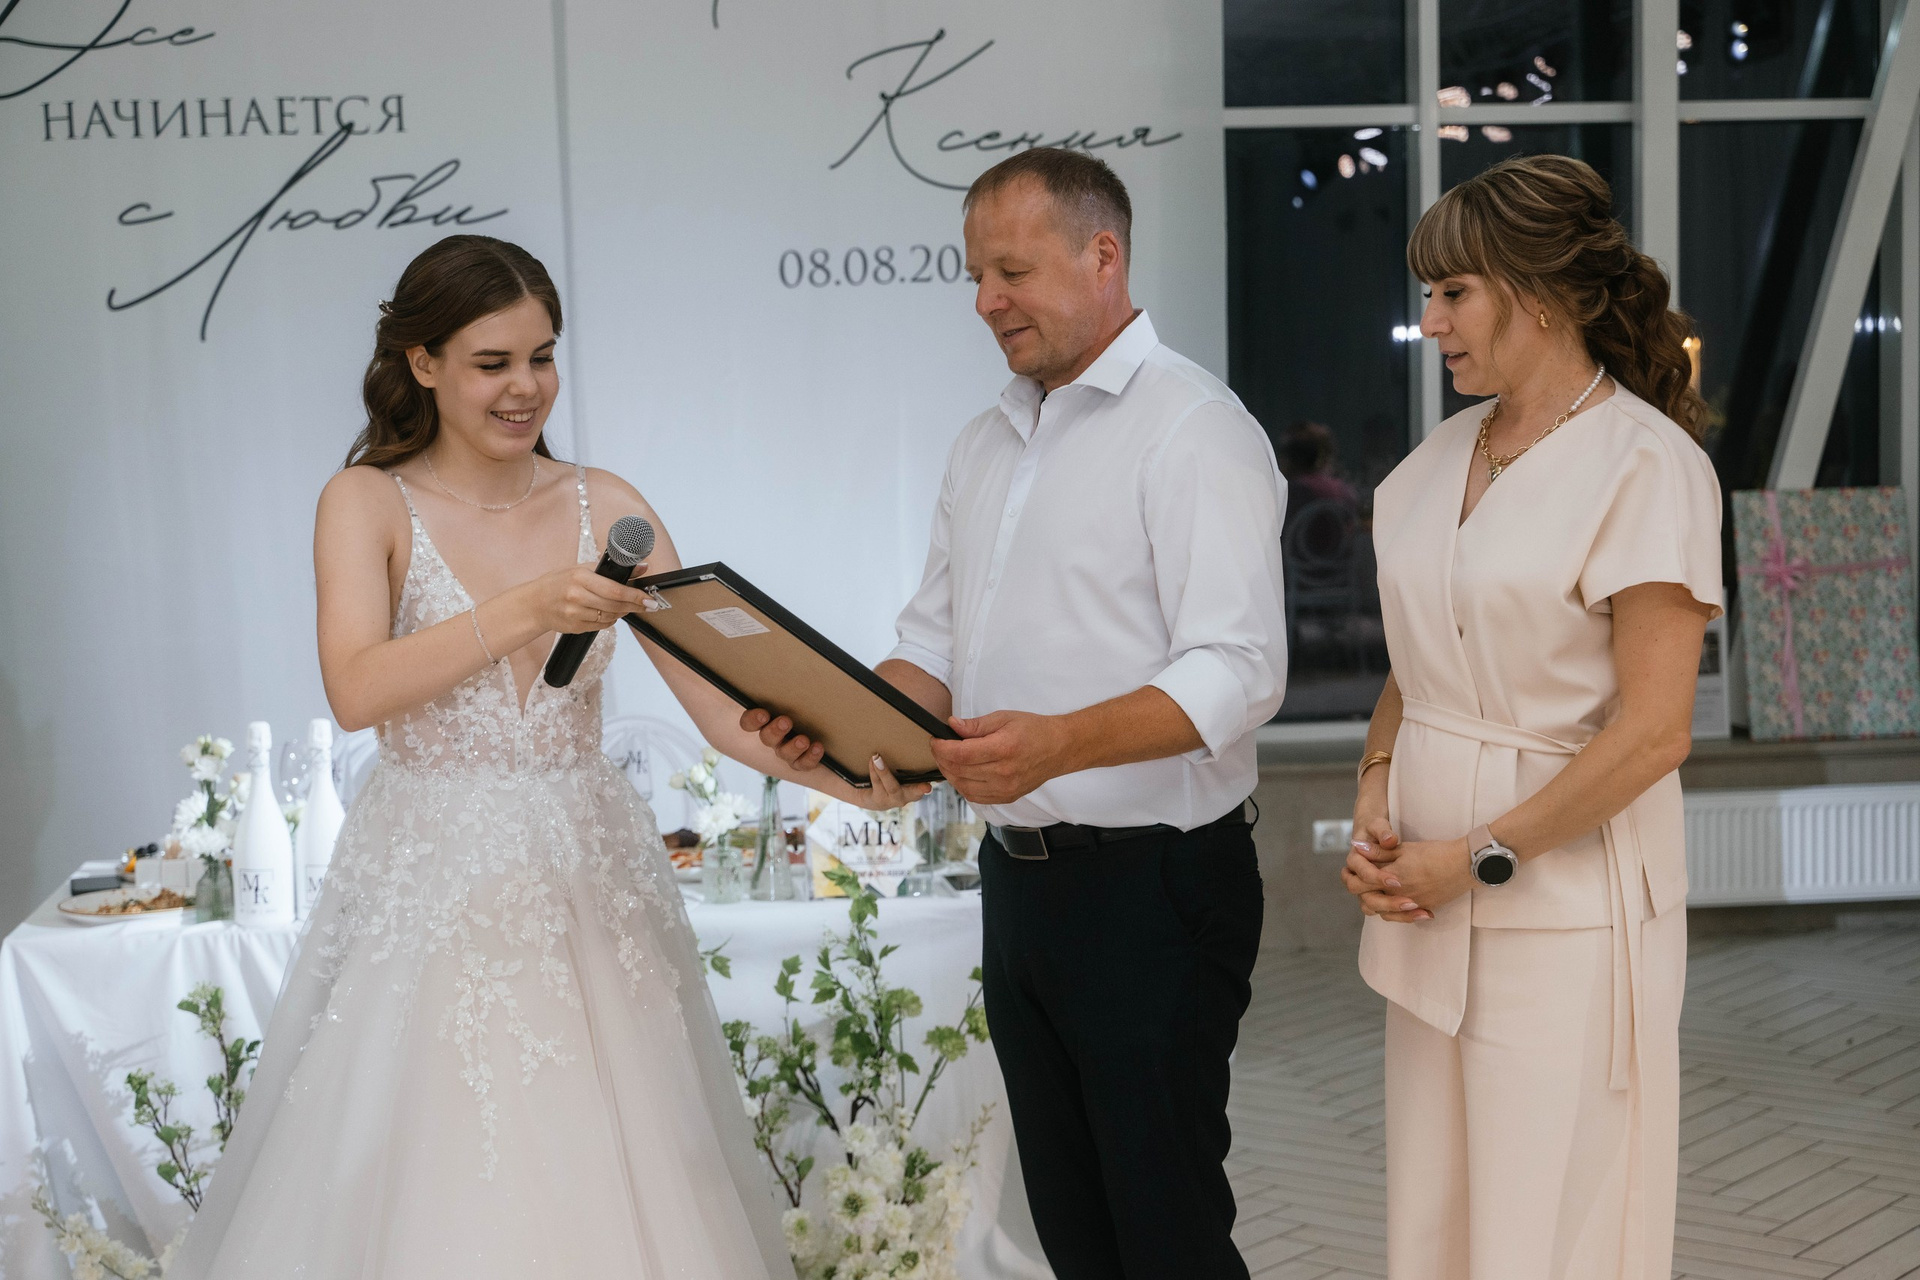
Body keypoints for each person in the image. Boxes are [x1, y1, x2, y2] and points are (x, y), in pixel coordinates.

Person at [171, 235, 903, 1280]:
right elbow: (356, 688)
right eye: (493, 362)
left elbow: (718, 704)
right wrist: (527, 607)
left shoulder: (607, 503)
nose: (526, 387)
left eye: (543, 357)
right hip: (434, 882)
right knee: (441, 1171)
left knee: (620, 1165)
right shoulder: (366, 501)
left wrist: (852, 775)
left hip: (587, 874)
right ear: (423, 362)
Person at [753, 148, 1288, 1279]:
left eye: (1011, 272)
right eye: (975, 276)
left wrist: (1060, 742)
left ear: (1104, 257)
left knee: (1167, 1230)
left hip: (1156, 887)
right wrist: (848, 726)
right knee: (1074, 1232)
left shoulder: (1195, 428)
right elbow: (934, 650)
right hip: (1021, 883)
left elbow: (1241, 671)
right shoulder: (986, 439)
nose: (985, 301)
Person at [1340, 155, 1721, 1279]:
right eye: (1430, 294)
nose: (1430, 322)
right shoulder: (1436, 460)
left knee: (1549, 1222)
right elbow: (1424, 653)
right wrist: (1375, 790)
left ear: (1541, 293)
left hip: (1567, 916)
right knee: (1436, 1215)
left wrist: (1478, 856)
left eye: (1454, 293)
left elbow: (1656, 732)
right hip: (1425, 900)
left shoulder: (1646, 466)